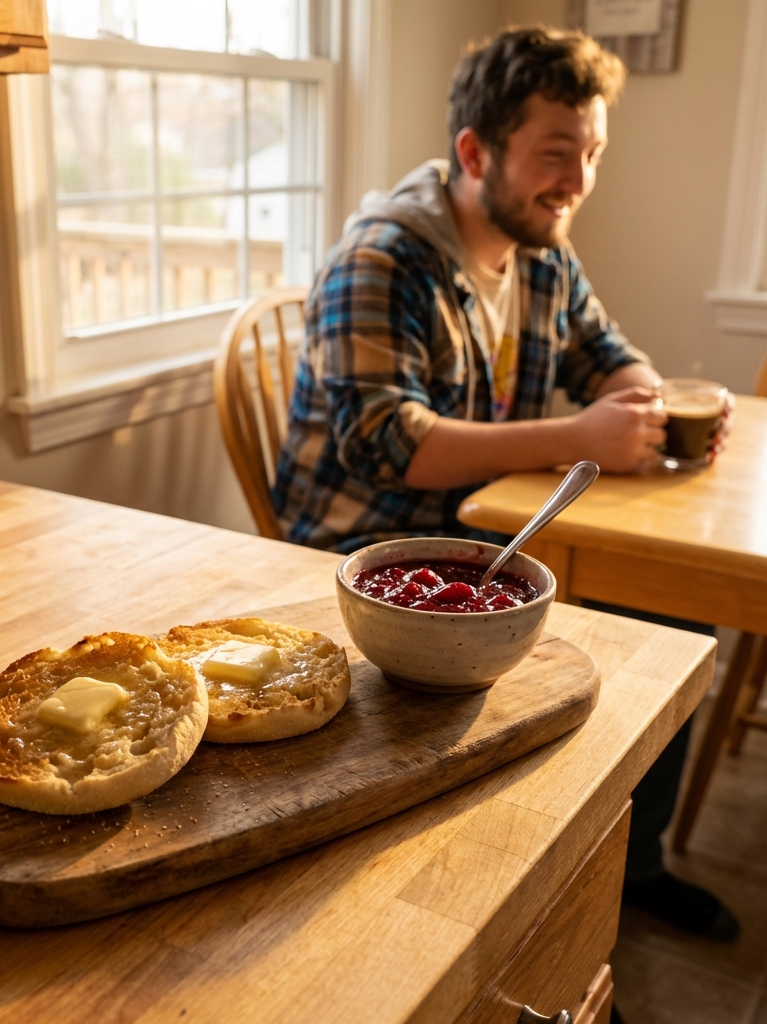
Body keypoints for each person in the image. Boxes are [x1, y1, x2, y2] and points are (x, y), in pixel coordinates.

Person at [271, 26, 739, 943]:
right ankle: (501, 916)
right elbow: (386, 446)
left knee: (674, 617)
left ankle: (625, 868)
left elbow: (610, 355)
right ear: (476, 152)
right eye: (557, 154)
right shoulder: (382, 259)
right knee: (621, 645)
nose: (580, 180)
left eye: (594, 153)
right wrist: (580, 433)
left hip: (489, 537)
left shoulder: (542, 247)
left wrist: (646, 403)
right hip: (363, 554)